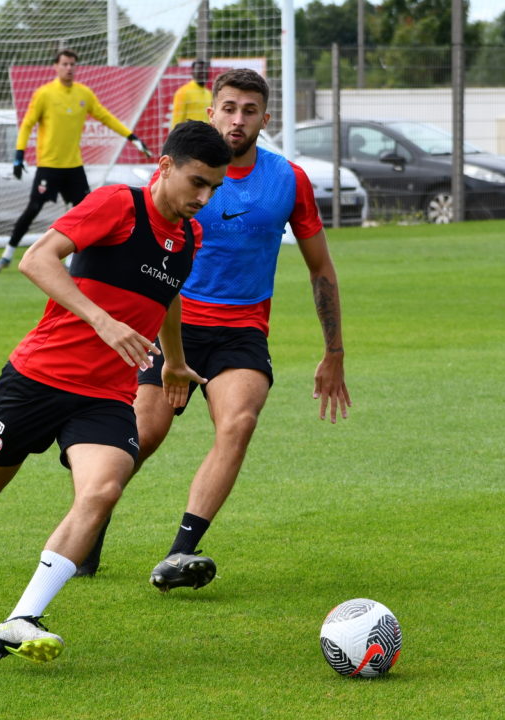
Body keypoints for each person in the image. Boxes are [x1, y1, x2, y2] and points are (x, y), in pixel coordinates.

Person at [0, 121, 231, 662]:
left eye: (214, 189)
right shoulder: (115, 204)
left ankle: (21, 616)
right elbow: (35, 259)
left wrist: (175, 363)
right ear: (164, 166)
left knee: (103, 489)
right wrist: (102, 321)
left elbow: (169, 293)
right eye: (197, 183)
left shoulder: (190, 235)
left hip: (106, 394)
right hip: (38, 378)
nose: (203, 198)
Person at [80, 69, 351, 591]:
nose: (237, 118)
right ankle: (90, 526)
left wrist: (333, 351)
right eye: (228, 107)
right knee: (144, 435)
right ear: (211, 113)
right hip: (171, 324)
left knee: (239, 422)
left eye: (249, 110)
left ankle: (180, 554)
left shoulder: (287, 180)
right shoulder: (182, 176)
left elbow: (320, 268)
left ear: (264, 119)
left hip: (241, 331)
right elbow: (141, 251)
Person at [0, 48, 153, 274]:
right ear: (56, 66)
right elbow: (27, 124)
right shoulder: (44, 93)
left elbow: (105, 117)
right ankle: (6, 255)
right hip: (49, 165)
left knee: (86, 213)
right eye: (64, 64)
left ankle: (72, 260)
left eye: (72, 64)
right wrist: (19, 155)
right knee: (33, 208)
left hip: (74, 166)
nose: (69, 68)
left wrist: (132, 137)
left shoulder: (84, 93)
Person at [169, 59, 212, 130]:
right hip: (189, 138)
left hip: (205, 137)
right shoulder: (183, 92)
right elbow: (176, 120)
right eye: (199, 70)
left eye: (205, 70)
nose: (203, 73)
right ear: (192, 72)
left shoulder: (209, 93)